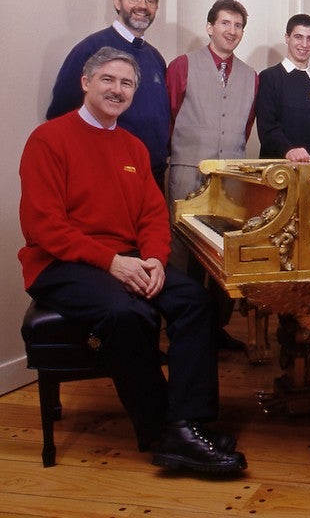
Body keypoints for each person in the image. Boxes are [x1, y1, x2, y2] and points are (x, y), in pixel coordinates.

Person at [19, 47, 245, 474]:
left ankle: (187, 422)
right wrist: (112, 263)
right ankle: (161, 430)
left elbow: (152, 216)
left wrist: (156, 260)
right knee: (127, 312)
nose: (117, 90)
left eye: (126, 84)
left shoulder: (134, 148)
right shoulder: (48, 139)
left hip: (129, 258)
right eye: (108, 79)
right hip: (60, 264)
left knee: (196, 302)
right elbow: (43, 227)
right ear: (86, 83)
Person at [166, 0, 257, 351]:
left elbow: (244, 127)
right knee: (184, 256)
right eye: (225, 24)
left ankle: (216, 329)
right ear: (210, 27)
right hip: (187, 175)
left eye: (237, 26)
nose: (231, 31)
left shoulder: (251, 77)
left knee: (225, 255)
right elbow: (170, 117)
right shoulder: (182, 66)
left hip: (229, 180)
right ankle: (182, 335)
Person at [47, 0, 170, 191]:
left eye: (150, 0)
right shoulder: (91, 48)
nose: (143, 5)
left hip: (152, 175)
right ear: (117, 2)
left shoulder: (156, 58)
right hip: (105, 174)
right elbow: (60, 113)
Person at [257, 13, 310, 161]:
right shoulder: (269, 78)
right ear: (287, 38)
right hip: (277, 174)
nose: (304, 44)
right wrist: (289, 150)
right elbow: (267, 128)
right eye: (298, 37)